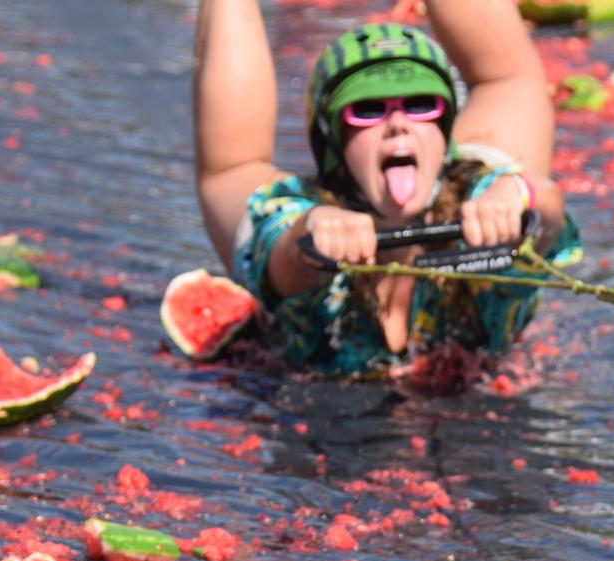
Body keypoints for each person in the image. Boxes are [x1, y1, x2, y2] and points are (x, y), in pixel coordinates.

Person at [192, 0, 582, 376]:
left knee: (509, 79)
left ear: (444, 131)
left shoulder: (483, 192)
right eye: (367, 110)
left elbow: (546, 209)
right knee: (232, 165)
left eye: (419, 104)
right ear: (335, 146)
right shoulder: (300, 221)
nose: (398, 124)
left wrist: (521, 193)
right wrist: (310, 233)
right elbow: (285, 256)